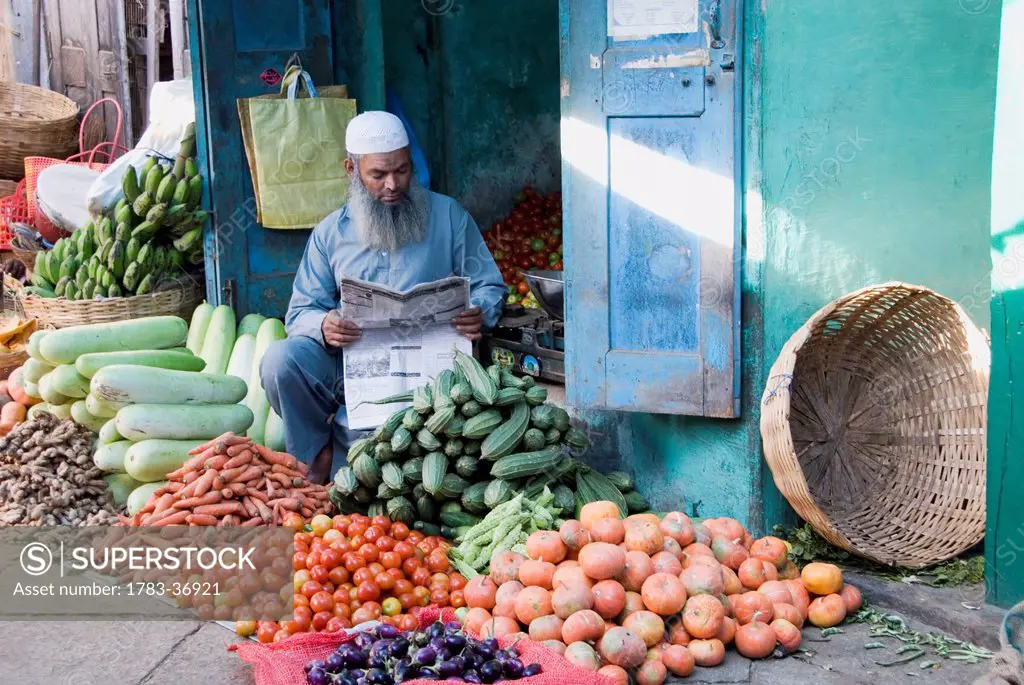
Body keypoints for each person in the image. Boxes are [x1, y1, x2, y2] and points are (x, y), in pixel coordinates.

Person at [260, 111, 506, 483]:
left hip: (433, 371)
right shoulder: (330, 234)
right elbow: (300, 313)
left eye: (403, 171)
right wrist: (324, 326)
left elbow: (489, 285)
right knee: (281, 360)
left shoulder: (449, 216)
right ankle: (315, 453)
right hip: (353, 369)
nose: (393, 184)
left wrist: (480, 311)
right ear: (351, 169)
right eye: (378, 175)